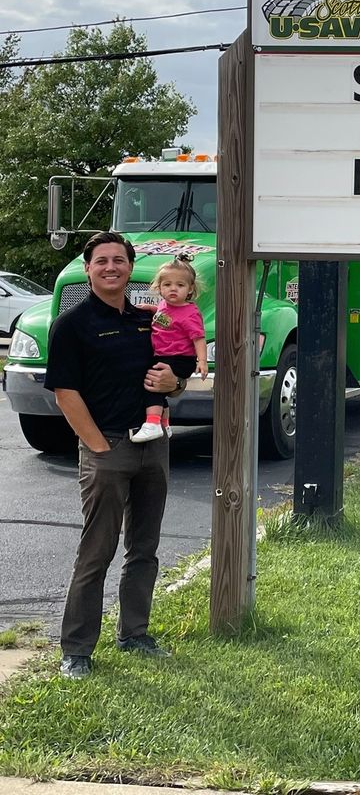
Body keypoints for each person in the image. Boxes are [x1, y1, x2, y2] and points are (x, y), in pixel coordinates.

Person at [44, 231, 185, 680]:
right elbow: (66, 393)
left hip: (154, 443)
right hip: (107, 446)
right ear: (88, 269)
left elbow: (174, 371)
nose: (111, 267)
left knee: (144, 548)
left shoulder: (151, 321)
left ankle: (135, 634)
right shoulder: (72, 324)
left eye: (119, 260)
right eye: (101, 261)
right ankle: (77, 651)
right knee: (96, 550)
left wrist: (174, 385)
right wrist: (98, 446)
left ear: (130, 267)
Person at [131, 256, 208, 443]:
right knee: (159, 390)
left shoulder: (190, 313)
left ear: (190, 289)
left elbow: (199, 338)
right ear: (159, 288)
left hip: (180, 358)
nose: (173, 289)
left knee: (152, 386)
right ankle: (165, 424)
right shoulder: (165, 305)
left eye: (180, 285)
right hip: (165, 355)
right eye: (167, 285)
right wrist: (152, 309)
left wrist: (202, 361)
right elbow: (165, 316)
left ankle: (152, 423)